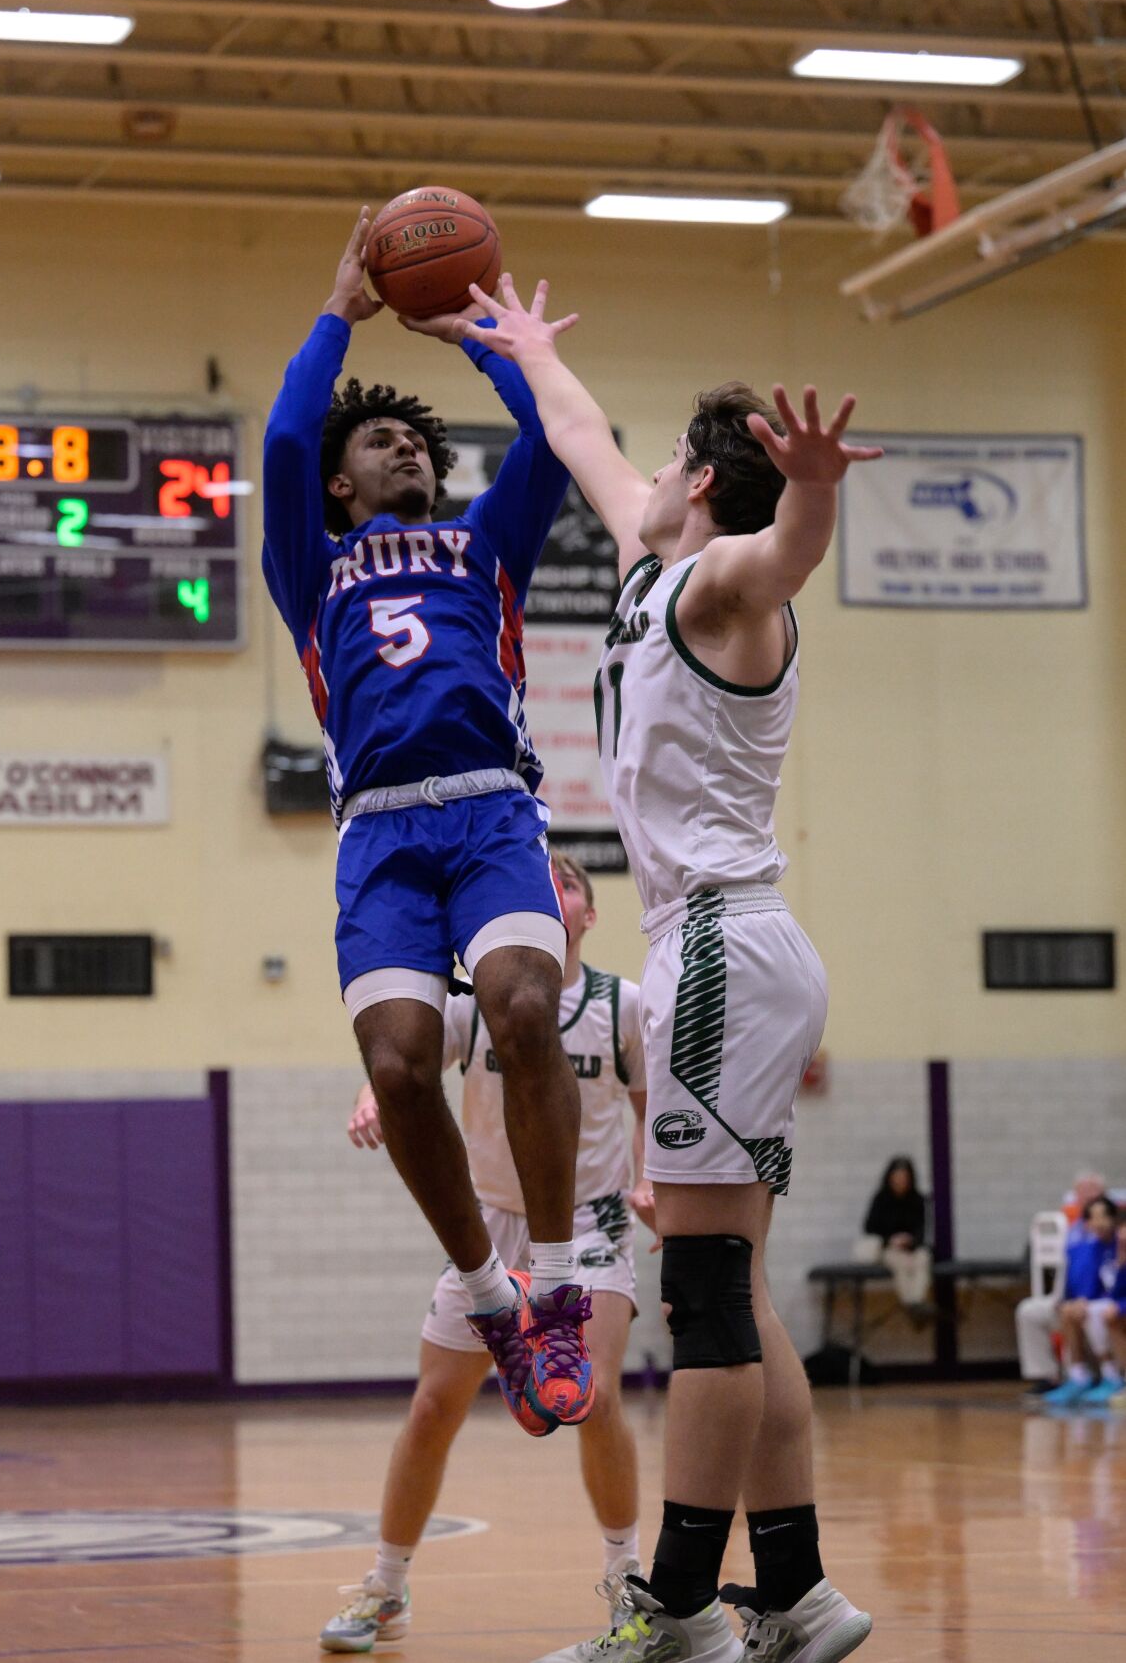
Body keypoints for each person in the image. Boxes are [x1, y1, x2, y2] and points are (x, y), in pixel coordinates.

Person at [423, 273, 881, 1663]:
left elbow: (784, 557)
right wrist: (521, 349)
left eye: (669, 459)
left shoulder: (726, 585)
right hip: (721, 947)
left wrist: (808, 492)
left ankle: (678, 1612)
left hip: (719, 949)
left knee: (697, 1298)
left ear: (698, 484)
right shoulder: (649, 556)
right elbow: (576, 435)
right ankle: (796, 1596)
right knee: (731, 1287)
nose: (643, 471)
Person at [262, 213, 593, 1431]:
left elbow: (554, 447)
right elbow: (289, 432)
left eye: (414, 437)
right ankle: (487, 1295)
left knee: (518, 1006)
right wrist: (339, 311)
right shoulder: (310, 563)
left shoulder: (485, 545)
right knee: (399, 1065)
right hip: (381, 832)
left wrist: (486, 338)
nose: (402, 445)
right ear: (343, 483)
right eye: (379, 439)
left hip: (491, 808)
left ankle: (555, 1289)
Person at [319, 851, 653, 1652]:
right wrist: (371, 1095)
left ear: (587, 912)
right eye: (540, 880)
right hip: (490, 1228)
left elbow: (651, 1107)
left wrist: (654, 1189)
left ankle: (628, 1583)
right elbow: (408, 1068)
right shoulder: (477, 1009)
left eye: (565, 883)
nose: (551, 890)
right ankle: (386, 1587)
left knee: (596, 1397)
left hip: (589, 1223)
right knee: (434, 1407)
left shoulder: (623, 1006)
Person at [1042, 1196, 1121, 1407]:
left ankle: (1112, 1375)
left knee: (1096, 1311)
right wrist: (1078, 1301)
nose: (1100, 1222)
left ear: (1115, 1219)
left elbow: (1118, 1285)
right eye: (1094, 1218)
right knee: (1070, 1310)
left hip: (1116, 1301)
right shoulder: (1088, 1248)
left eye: (1104, 1216)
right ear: (1086, 1223)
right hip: (1105, 1301)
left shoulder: (1120, 1243)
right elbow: (1084, 1284)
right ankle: (1078, 1376)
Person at [852, 1156, 931, 1311]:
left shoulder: (918, 1199)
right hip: (889, 1248)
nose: (900, 1181)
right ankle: (911, 1303)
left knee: (923, 1258)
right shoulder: (881, 1199)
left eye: (904, 1178)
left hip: (912, 1249)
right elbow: (869, 1227)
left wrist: (910, 1241)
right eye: (897, 1177)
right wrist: (891, 1240)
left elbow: (923, 1229)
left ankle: (917, 1302)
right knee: (899, 1261)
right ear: (890, 1178)